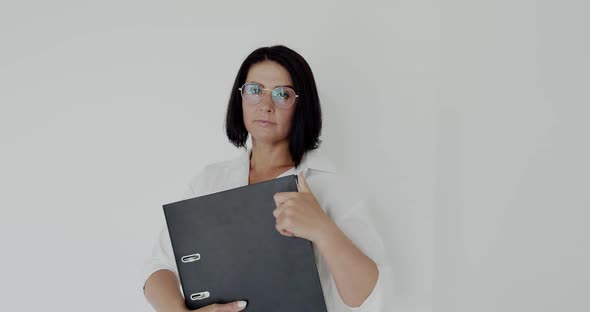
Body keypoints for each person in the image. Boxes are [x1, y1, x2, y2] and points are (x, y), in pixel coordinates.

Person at [141, 45, 390, 312]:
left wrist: (321, 228)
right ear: (241, 98)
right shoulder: (209, 180)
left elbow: (367, 296)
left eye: (283, 94)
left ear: (301, 106)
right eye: (255, 90)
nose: (266, 105)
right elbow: (160, 267)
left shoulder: (329, 186)